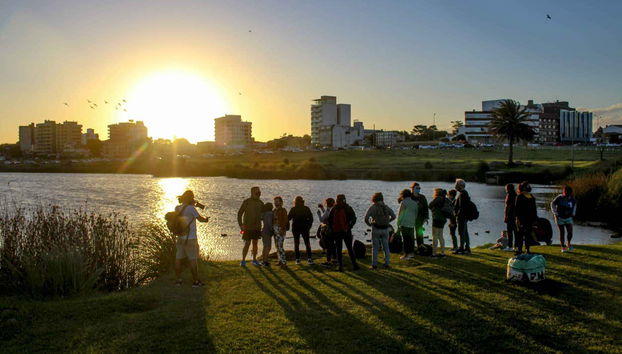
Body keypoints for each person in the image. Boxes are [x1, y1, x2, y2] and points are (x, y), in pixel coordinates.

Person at [174, 190, 209, 288]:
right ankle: (196, 282)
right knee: (193, 260)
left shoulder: (177, 208)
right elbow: (200, 219)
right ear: (191, 198)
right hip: (190, 238)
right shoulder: (191, 208)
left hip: (180, 237)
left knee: (178, 259)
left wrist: (195, 205)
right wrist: (206, 220)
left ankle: (178, 280)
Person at [327, 194, 360, 271]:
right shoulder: (348, 208)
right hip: (346, 231)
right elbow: (354, 218)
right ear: (344, 199)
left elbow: (329, 220)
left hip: (337, 232)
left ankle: (340, 266)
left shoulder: (334, 208)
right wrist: (350, 226)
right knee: (350, 248)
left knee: (339, 249)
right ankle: (355, 265)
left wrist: (332, 229)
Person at [364, 192, 396, 269]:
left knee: (375, 248)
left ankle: (374, 265)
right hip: (385, 229)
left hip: (376, 229)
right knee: (386, 247)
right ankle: (387, 263)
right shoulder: (386, 207)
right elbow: (394, 216)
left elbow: (366, 218)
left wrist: (370, 224)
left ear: (374, 199)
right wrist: (388, 222)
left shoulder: (373, 207)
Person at [237, 186, 264, 267]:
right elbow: (239, 214)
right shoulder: (246, 202)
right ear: (252, 193)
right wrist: (241, 225)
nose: (258, 193)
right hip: (247, 227)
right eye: (257, 192)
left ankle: (254, 260)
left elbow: (263, 216)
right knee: (247, 243)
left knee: (255, 243)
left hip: (257, 227)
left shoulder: (261, 203)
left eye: (259, 192)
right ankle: (243, 260)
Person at [288, 196, 314, 265]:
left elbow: (288, 218)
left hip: (296, 228)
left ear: (295, 202)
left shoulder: (293, 209)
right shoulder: (306, 208)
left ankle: (298, 259)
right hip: (305, 228)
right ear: (302, 201)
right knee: (307, 243)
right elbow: (311, 219)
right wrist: (309, 226)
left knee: (296, 243)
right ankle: (309, 259)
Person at [551, 185, 577, 253]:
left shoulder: (572, 199)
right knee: (562, 233)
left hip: (568, 218)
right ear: (564, 192)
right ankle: (563, 247)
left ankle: (568, 244)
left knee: (570, 232)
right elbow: (552, 204)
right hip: (560, 218)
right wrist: (555, 213)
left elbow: (574, 206)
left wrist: (573, 214)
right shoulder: (559, 198)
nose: (567, 193)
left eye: (568, 192)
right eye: (565, 192)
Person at [515, 181, 537, 255]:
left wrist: (535, 219)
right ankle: (521, 250)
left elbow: (534, 209)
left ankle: (525, 249)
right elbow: (517, 209)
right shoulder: (522, 196)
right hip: (523, 219)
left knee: (525, 234)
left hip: (528, 219)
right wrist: (518, 219)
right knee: (522, 234)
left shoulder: (530, 196)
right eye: (526, 186)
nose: (527, 187)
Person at [428, 188, 450, 257]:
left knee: (435, 236)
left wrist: (433, 210)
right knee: (441, 236)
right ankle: (443, 253)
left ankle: (434, 253)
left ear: (437, 193)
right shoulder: (446, 199)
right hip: (443, 219)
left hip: (437, 218)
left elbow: (430, 205)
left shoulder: (438, 198)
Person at [397, 189, 417, 259]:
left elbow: (401, 213)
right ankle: (411, 253)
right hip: (411, 223)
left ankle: (406, 254)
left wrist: (398, 223)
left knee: (405, 239)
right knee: (411, 239)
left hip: (404, 223)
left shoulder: (404, 202)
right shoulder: (414, 203)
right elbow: (416, 214)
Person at [453, 179, 472, 255]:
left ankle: (461, 248)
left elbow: (461, 206)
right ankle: (467, 248)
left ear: (459, 186)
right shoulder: (464, 193)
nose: (455, 186)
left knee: (461, 232)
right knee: (465, 232)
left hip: (462, 217)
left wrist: (457, 214)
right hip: (464, 216)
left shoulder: (462, 194)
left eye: (456, 185)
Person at [317, 198, 337, 266]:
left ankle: (328, 261)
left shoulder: (328, 210)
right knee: (333, 245)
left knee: (328, 246)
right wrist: (322, 209)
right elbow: (326, 215)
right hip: (333, 230)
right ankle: (334, 259)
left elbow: (322, 220)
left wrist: (319, 214)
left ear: (326, 203)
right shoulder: (333, 209)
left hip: (327, 230)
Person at [411, 182, 430, 249]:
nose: (418, 189)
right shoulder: (409, 196)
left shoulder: (422, 197)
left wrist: (426, 217)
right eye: (417, 188)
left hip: (420, 218)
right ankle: (411, 246)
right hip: (410, 218)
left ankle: (420, 246)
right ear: (413, 189)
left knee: (419, 233)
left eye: (419, 188)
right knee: (410, 233)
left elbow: (426, 208)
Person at [273, 196, 289, 267]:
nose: (276, 202)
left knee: (280, 246)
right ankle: (279, 260)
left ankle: (284, 262)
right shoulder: (274, 210)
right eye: (275, 201)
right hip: (275, 231)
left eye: (277, 201)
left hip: (281, 230)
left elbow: (285, 220)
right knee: (277, 246)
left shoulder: (283, 210)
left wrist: (282, 229)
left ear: (281, 202)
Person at [504, 183, 517, 252]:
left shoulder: (509, 195)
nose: (505, 189)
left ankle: (510, 246)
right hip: (516, 216)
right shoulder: (516, 195)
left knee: (509, 231)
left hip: (510, 216)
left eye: (506, 188)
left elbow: (507, 207)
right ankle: (516, 246)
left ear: (508, 188)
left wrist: (505, 216)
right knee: (516, 232)